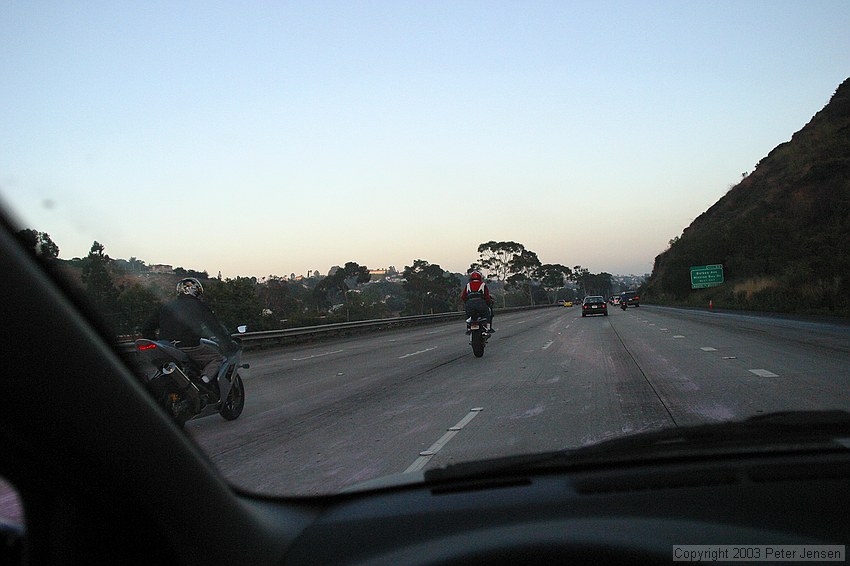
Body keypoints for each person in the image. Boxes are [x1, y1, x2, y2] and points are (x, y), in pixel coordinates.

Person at [142, 277, 229, 407]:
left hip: (167, 347)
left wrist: (158, 342)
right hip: (190, 346)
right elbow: (215, 327)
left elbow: (146, 328)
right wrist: (227, 342)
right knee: (217, 358)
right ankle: (203, 382)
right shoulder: (200, 306)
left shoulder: (165, 306)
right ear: (197, 291)